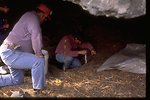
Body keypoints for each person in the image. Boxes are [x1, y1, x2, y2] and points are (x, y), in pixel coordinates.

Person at [0, 3, 52, 94]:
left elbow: (27, 42)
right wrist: (38, 52)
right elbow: (36, 36)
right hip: (10, 52)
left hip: (11, 52)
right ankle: (38, 90)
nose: (44, 20)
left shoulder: (29, 16)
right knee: (39, 61)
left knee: (17, 80)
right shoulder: (33, 18)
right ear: (42, 14)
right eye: (45, 18)